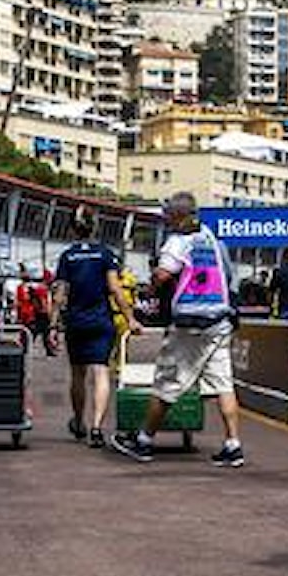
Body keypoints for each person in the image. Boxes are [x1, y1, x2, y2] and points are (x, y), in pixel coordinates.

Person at [109, 192, 245, 467]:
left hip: (189, 323)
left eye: (168, 214)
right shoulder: (211, 238)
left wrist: (151, 287)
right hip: (219, 320)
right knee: (223, 383)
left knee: (167, 382)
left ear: (177, 215)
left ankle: (145, 441)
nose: (166, 219)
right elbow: (228, 276)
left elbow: (163, 273)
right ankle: (233, 444)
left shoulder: (178, 241)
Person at [50, 211, 140, 449]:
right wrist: (130, 318)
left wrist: (52, 324)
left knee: (78, 374)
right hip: (101, 321)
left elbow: (59, 294)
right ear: (95, 228)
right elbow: (115, 289)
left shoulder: (67, 257)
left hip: (76, 322)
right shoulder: (105, 254)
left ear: (72, 229)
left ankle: (79, 421)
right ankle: (97, 427)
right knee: (101, 373)